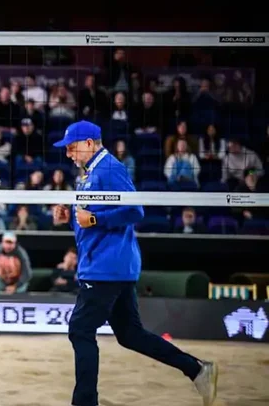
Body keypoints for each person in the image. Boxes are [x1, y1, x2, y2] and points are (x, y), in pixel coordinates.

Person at [51, 120, 219, 406]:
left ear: (90, 143)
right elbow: (93, 219)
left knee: (80, 329)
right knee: (130, 335)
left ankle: (84, 402)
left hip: (107, 267)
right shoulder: (90, 173)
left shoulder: (110, 168)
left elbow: (134, 209)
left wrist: (93, 219)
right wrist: (71, 218)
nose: (68, 154)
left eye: (72, 148)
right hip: (107, 264)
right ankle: (197, 370)